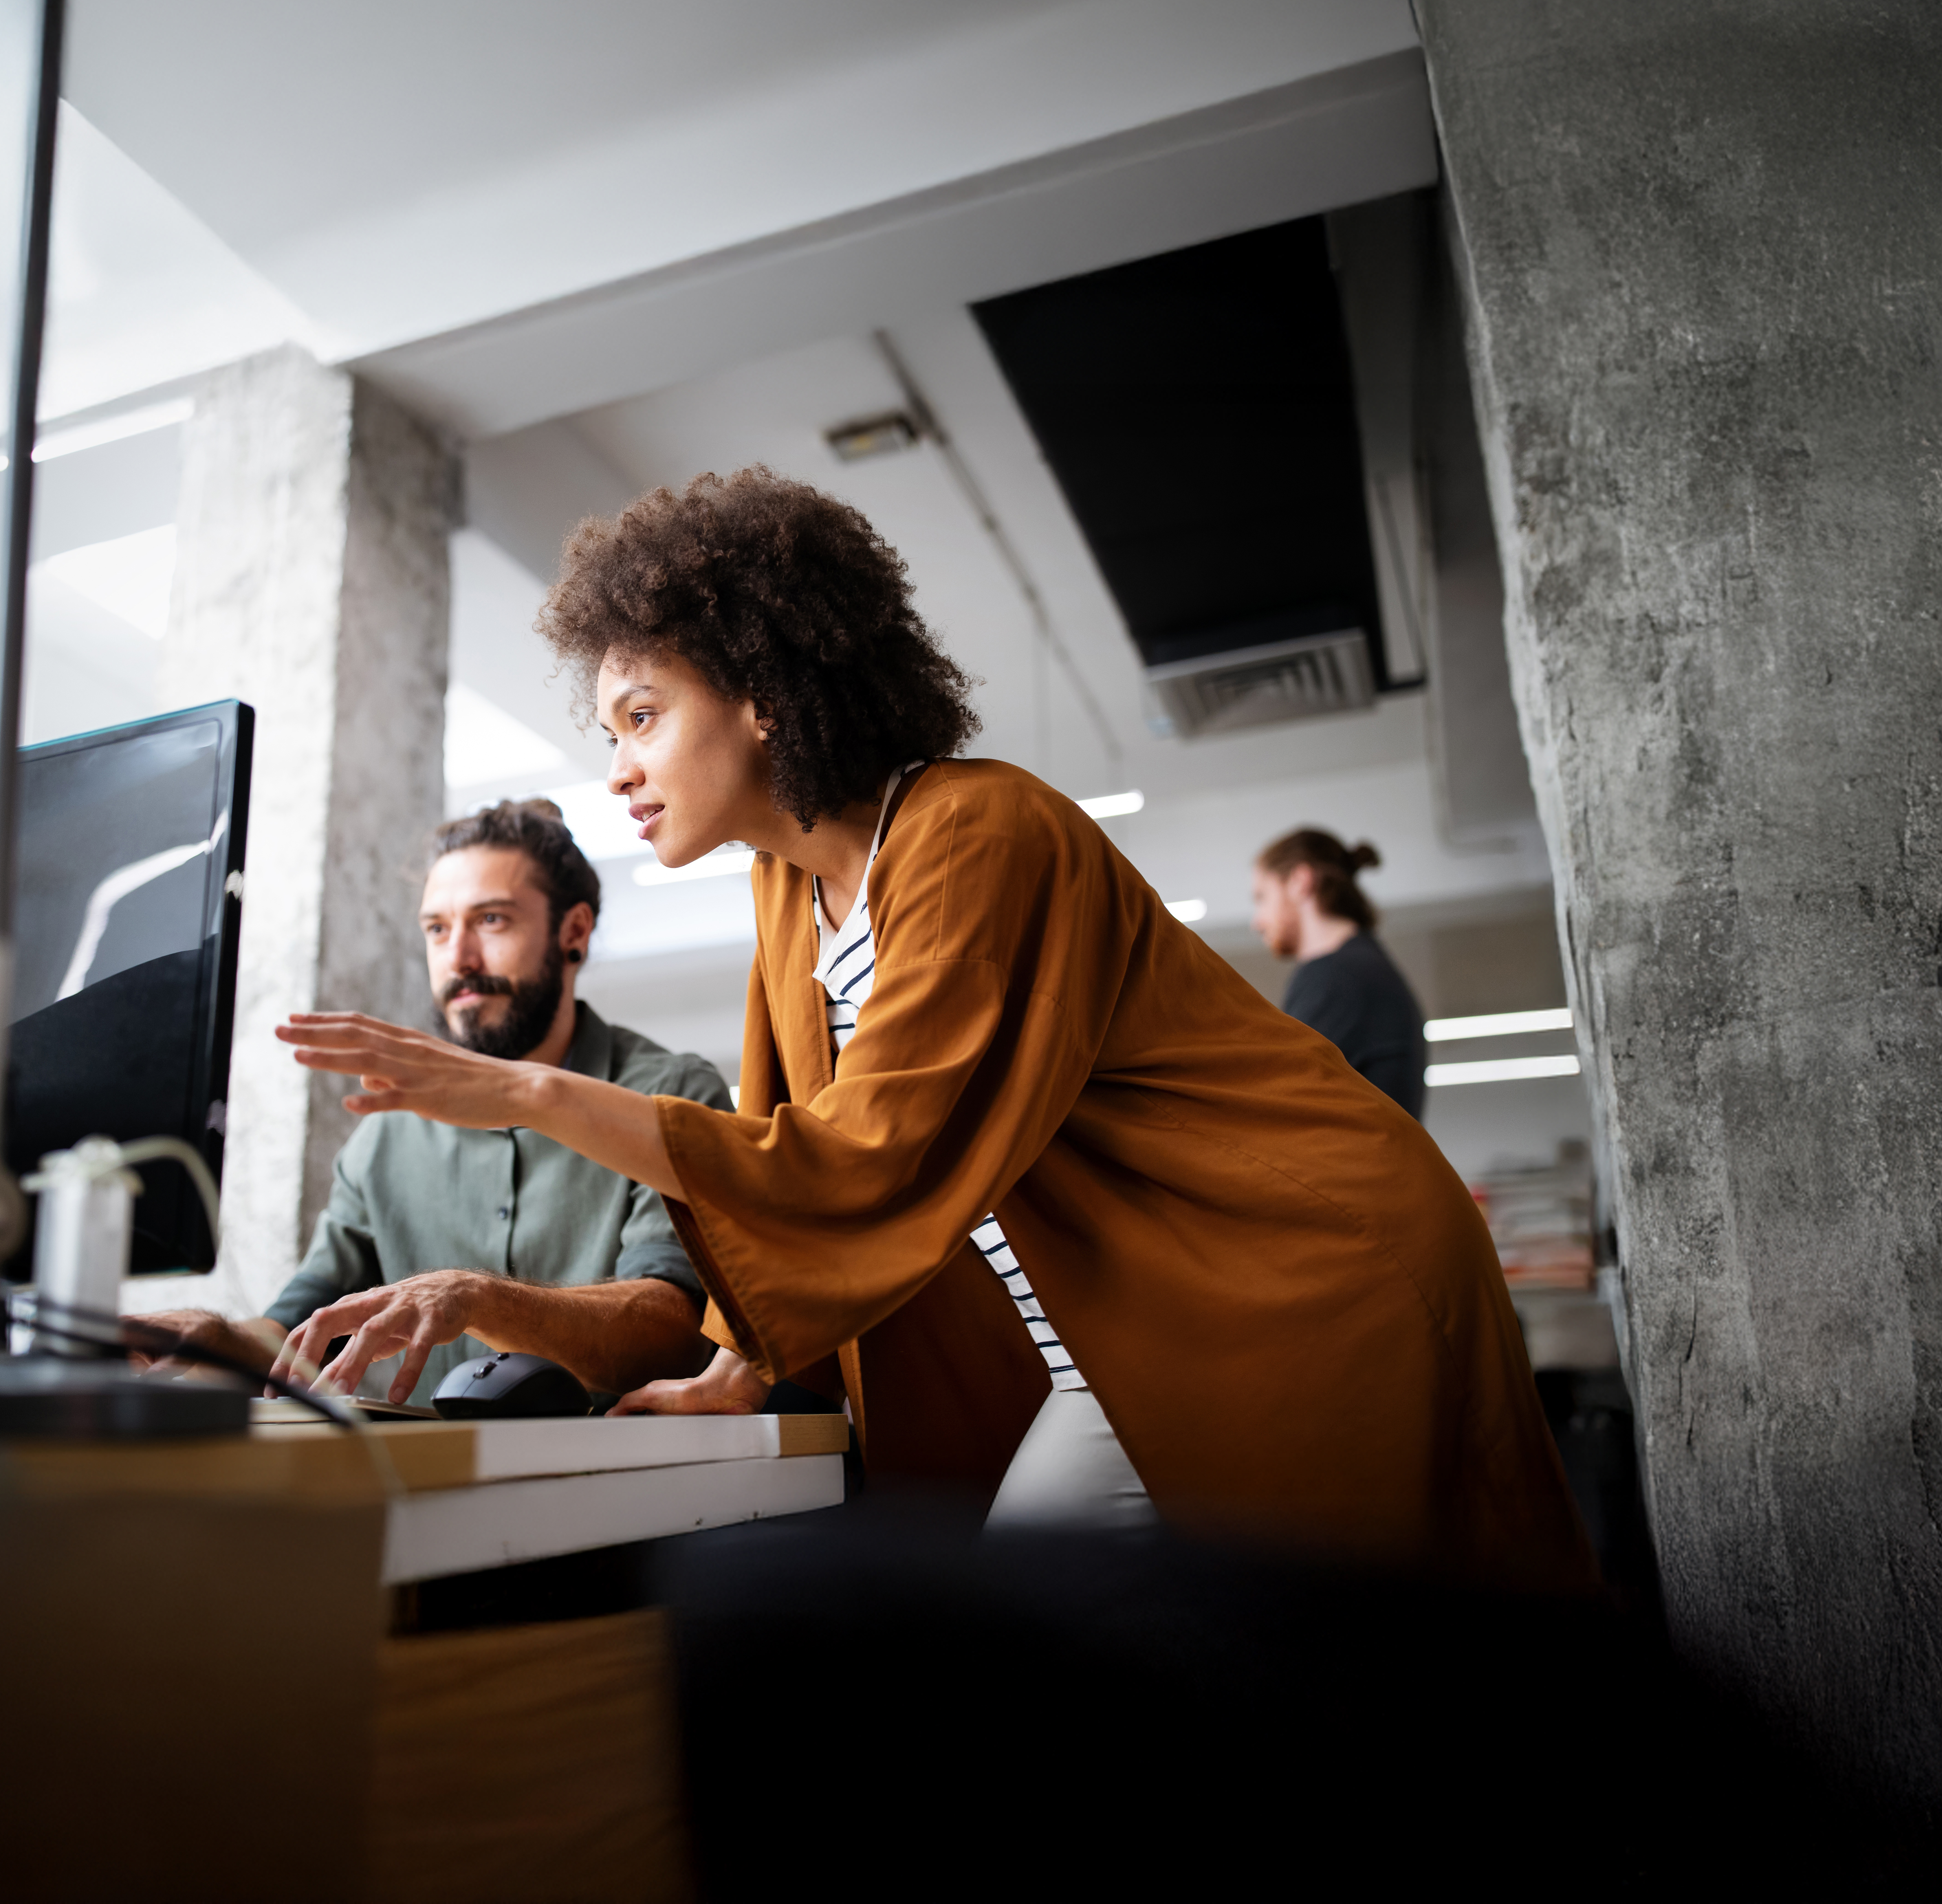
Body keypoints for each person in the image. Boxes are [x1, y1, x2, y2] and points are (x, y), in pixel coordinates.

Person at [278, 468, 1594, 1591]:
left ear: (762, 695)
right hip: (1116, 1326)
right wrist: (734, 1373)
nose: (618, 764)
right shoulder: (789, 891)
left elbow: (857, 1158)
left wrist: (524, 1093)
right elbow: (783, 1162)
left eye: (641, 715)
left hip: (1291, 1273)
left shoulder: (979, 832)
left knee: (1355, 1694)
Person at [132, 799, 729, 1407]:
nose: (459, 959)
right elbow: (299, 1327)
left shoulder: (671, 1095)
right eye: (437, 929)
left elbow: (673, 1334)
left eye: (491, 921)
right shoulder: (385, 1132)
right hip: (414, 1483)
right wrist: (216, 1340)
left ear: (573, 931)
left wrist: (478, 1298)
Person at [1250, 829, 1429, 1119]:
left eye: (1262, 897)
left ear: (1300, 881)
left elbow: (1279, 1105)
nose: (1257, 923)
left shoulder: (1336, 975)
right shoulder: (1362, 968)